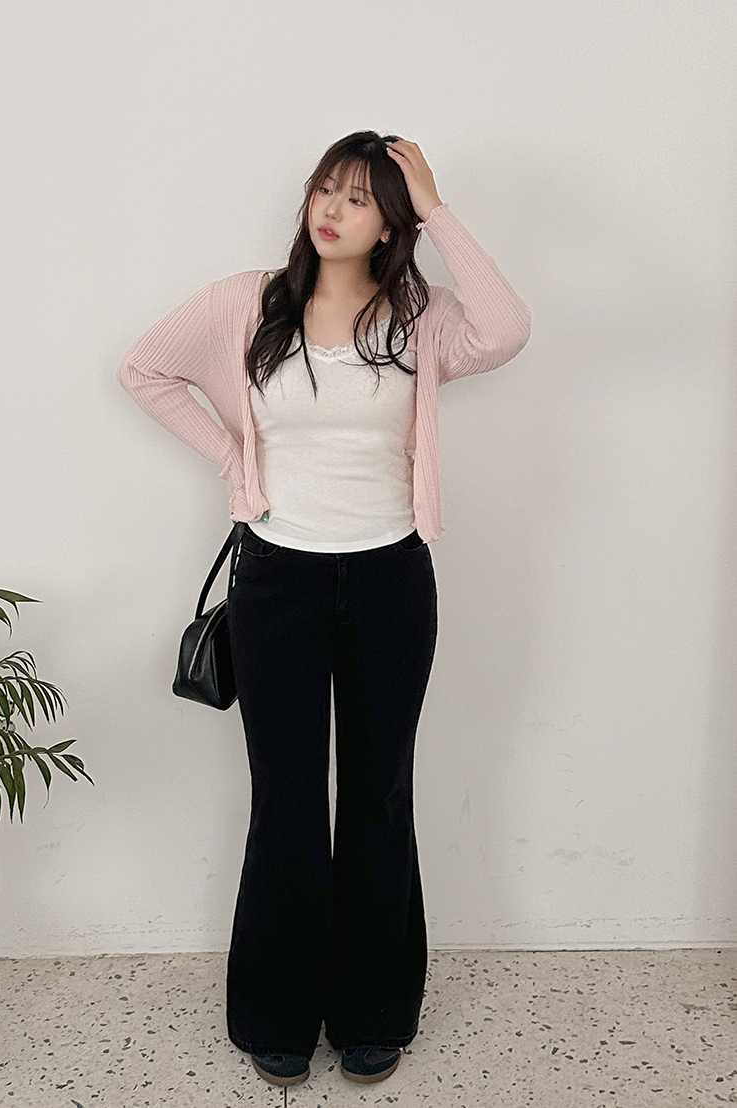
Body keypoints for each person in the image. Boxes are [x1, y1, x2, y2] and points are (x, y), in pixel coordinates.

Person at [117, 131, 530, 1088]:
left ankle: (374, 1011)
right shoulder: (249, 303)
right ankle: (277, 1014)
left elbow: (507, 329)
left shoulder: (420, 317)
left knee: (379, 793)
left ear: (391, 223)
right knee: (289, 797)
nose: (332, 210)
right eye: (324, 190)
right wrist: (233, 457)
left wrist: (437, 206)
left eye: (359, 197)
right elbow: (144, 368)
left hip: (391, 578)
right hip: (277, 579)